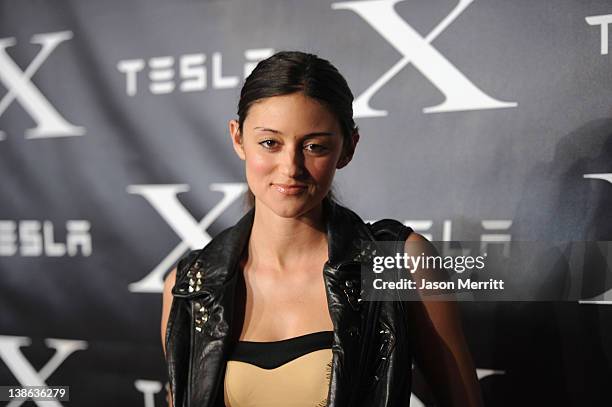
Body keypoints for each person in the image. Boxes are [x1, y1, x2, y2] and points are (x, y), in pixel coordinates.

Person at [161, 51, 483, 407]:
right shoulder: (190, 284)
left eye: (315, 146)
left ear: (347, 148)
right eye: (270, 143)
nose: (290, 167)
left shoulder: (399, 263)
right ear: (237, 138)